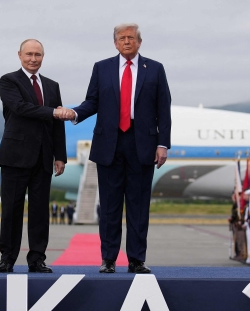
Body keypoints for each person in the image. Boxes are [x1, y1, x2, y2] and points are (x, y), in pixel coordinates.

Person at [57, 23, 172, 274]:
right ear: (115, 43)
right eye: (122, 38)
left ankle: (136, 260)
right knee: (109, 206)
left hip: (142, 145)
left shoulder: (154, 69)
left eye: (131, 37)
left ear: (139, 42)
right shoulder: (102, 68)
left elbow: (163, 109)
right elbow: (92, 101)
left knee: (138, 207)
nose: (127, 41)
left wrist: (163, 144)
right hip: (109, 144)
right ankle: (108, 259)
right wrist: (75, 113)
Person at [0, 39, 67, 273]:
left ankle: (37, 259)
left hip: (43, 157)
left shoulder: (52, 86)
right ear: (19, 55)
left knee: (39, 212)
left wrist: (60, 155)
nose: (33, 59)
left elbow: (58, 126)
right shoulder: (9, 81)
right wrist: (53, 112)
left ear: (43, 57)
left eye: (37, 55)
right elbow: (20, 108)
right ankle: (7, 258)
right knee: (12, 210)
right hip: (15, 156)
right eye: (29, 54)